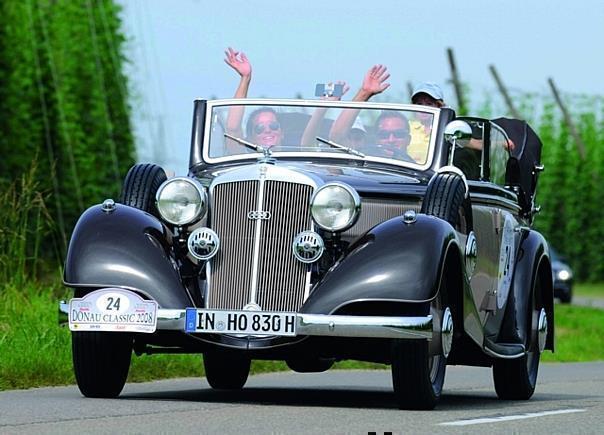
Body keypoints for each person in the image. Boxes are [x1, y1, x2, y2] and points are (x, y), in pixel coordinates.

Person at [223, 47, 284, 149]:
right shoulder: (245, 159)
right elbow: (232, 129)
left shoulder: (298, 158)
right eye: (259, 128)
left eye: (273, 126)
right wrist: (245, 78)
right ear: (251, 138)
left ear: (282, 133)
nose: (267, 130)